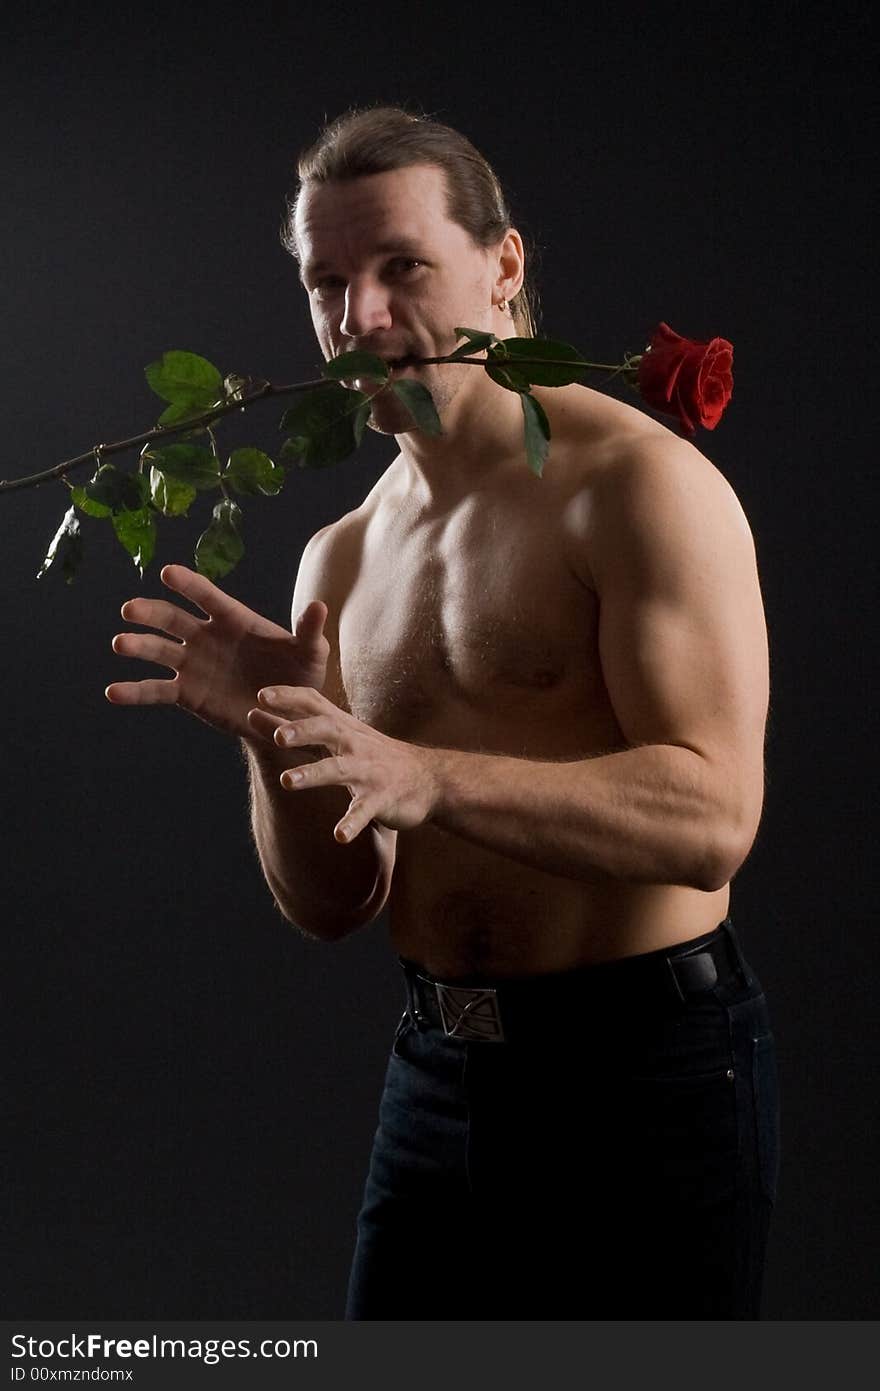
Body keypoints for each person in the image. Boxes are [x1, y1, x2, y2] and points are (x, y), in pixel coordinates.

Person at [106, 105, 780, 1319]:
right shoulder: (341, 560)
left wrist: (430, 774)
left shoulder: (636, 488)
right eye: (328, 281)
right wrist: (278, 739)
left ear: (504, 265)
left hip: (642, 1073)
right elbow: (334, 904)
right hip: (438, 1071)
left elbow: (712, 813)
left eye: (399, 266)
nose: (357, 316)